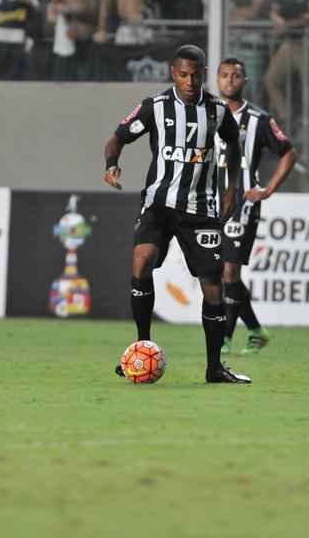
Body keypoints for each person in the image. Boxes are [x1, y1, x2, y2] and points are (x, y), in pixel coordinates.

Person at [102, 44, 251, 384]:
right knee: (141, 262)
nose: (190, 81)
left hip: (200, 210)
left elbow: (234, 144)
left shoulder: (216, 110)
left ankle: (214, 367)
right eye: (184, 75)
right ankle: (142, 346)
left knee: (213, 287)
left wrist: (231, 189)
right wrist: (112, 164)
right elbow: (117, 138)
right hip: (158, 204)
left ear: (203, 74)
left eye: (196, 75)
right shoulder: (154, 107)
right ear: (173, 73)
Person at [216, 57, 296, 355]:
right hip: (210, 200)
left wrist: (268, 189)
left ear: (244, 82)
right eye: (224, 75)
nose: (229, 81)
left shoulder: (259, 120)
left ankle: (224, 339)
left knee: (229, 270)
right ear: (217, 80)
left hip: (242, 202)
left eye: (235, 76)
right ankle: (255, 330)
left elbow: (288, 152)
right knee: (217, 272)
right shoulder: (206, 114)